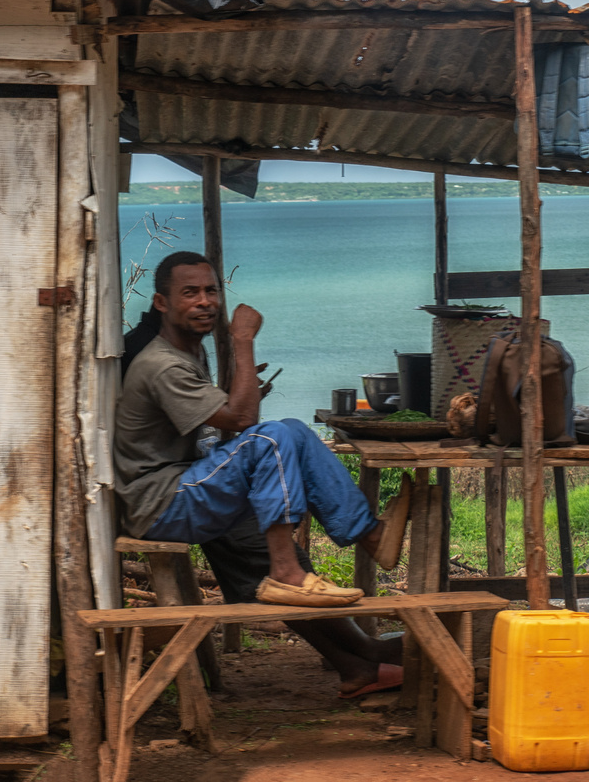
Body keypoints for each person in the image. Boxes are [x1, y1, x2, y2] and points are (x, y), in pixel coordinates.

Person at [117, 251, 411, 696]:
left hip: (185, 483)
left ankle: (359, 657)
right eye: (189, 293)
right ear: (161, 302)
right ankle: (303, 567)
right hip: (160, 501)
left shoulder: (186, 351)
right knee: (274, 438)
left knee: (288, 435)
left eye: (211, 291)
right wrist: (242, 340)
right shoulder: (163, 364)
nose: (205, 302)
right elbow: (240, 419)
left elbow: (225, 420)